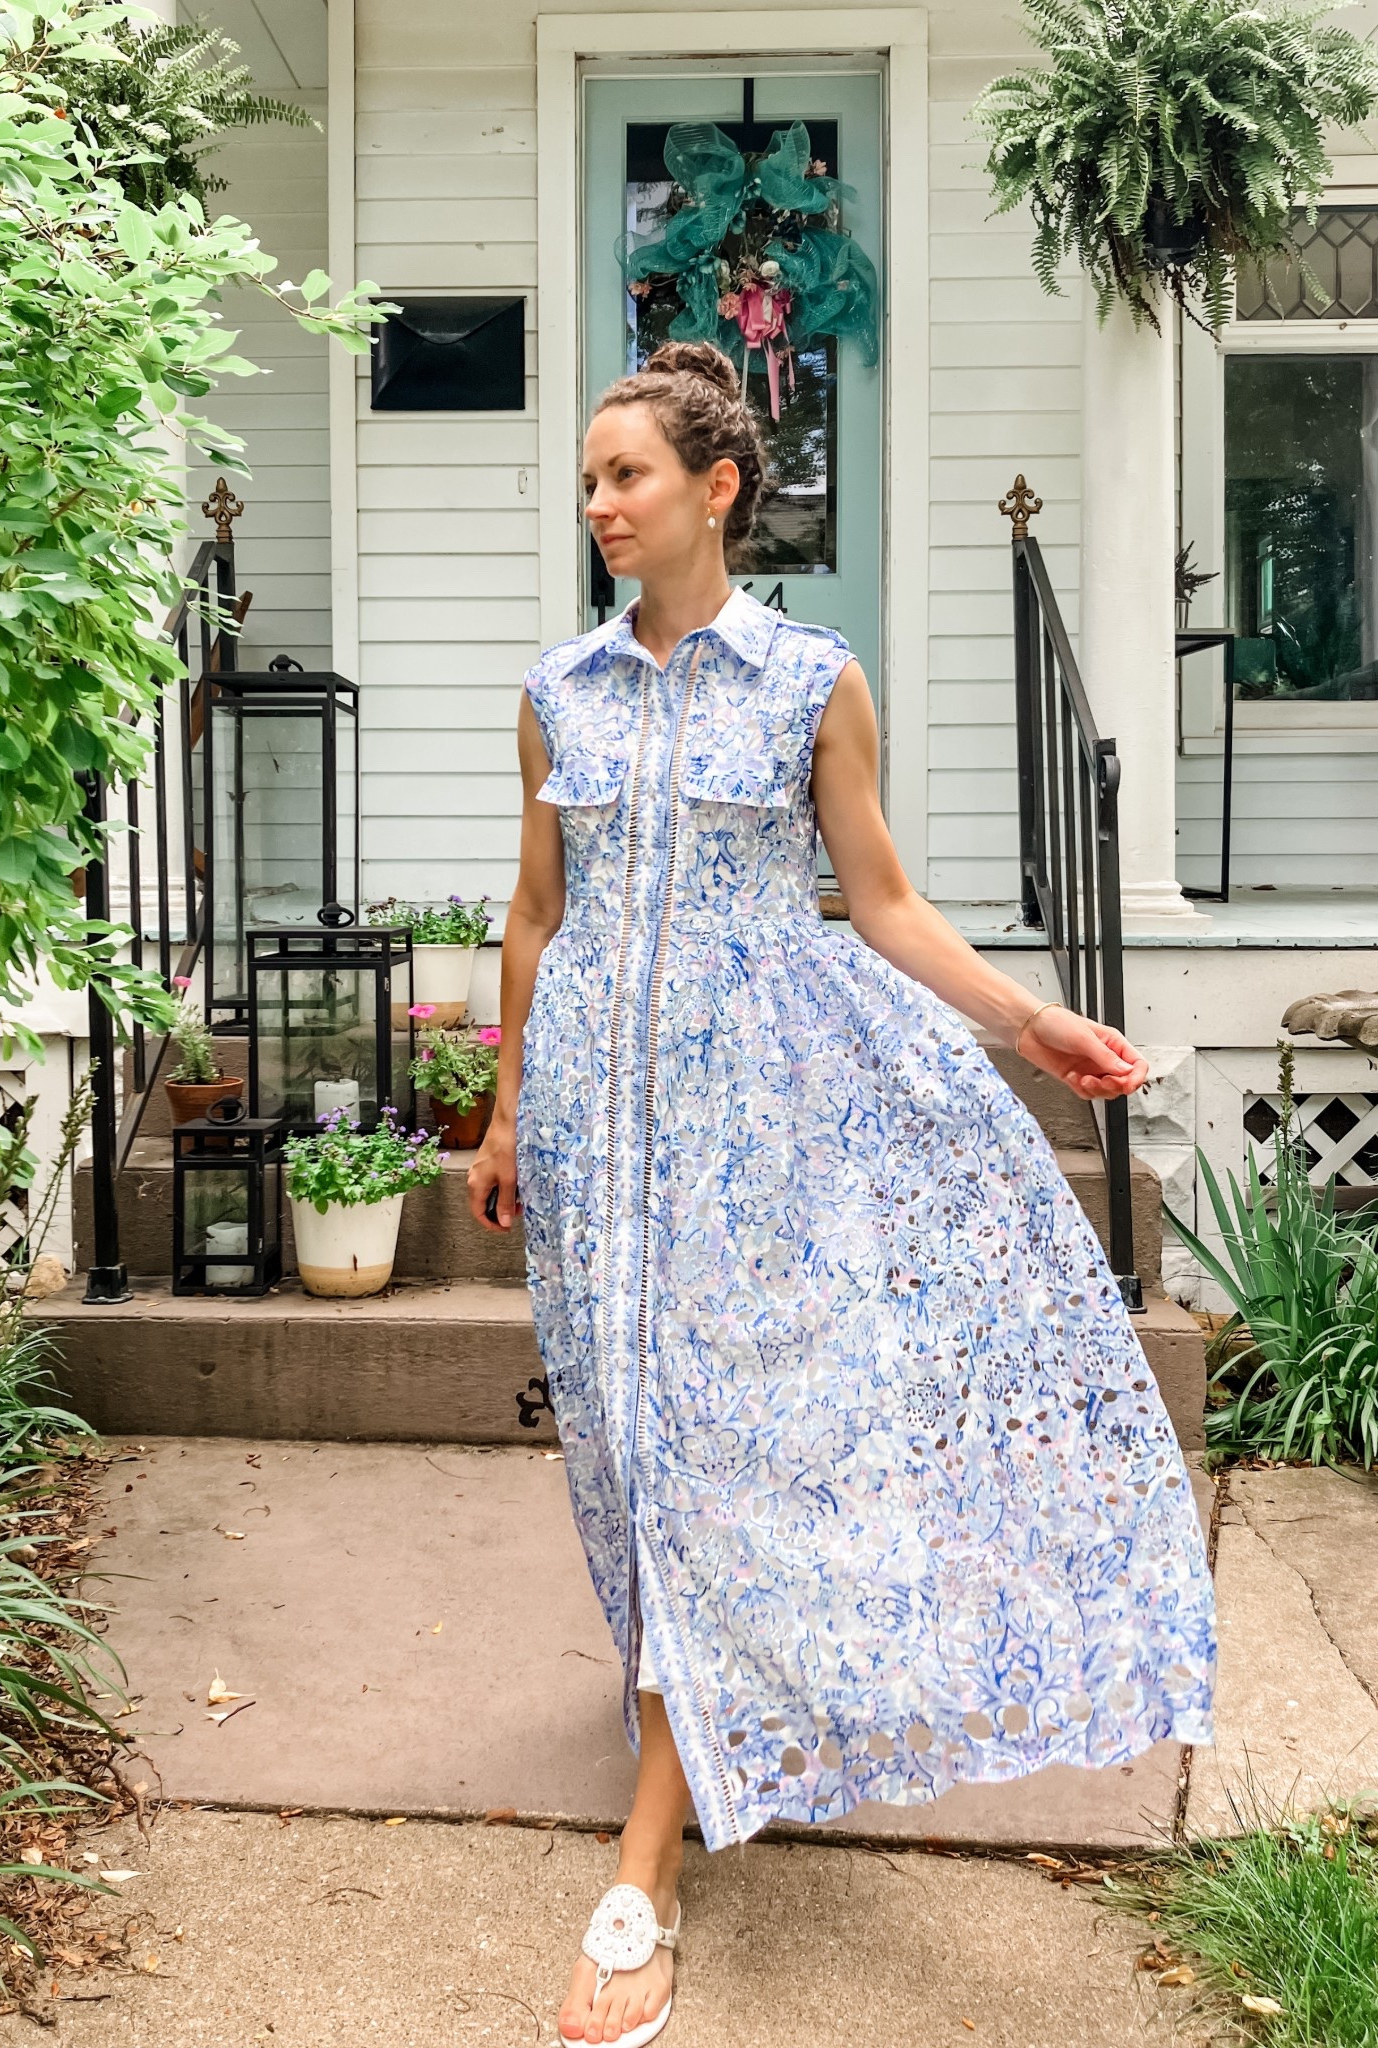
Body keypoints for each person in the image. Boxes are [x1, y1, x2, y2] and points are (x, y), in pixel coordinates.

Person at [466, 340, 1216, 2048]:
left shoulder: (811, 683)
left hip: (760, 1123)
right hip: (593, 1118)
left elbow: (878, 899)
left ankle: (647, 1859)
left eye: (626, 477)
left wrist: (1027, 1018)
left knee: (722, 1434)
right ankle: (702, 1687)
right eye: (588, 482)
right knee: (627, 1438)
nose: (599, 504)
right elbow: (533, 913)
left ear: (715, 489)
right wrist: (504, 1112)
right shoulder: (558, 692)